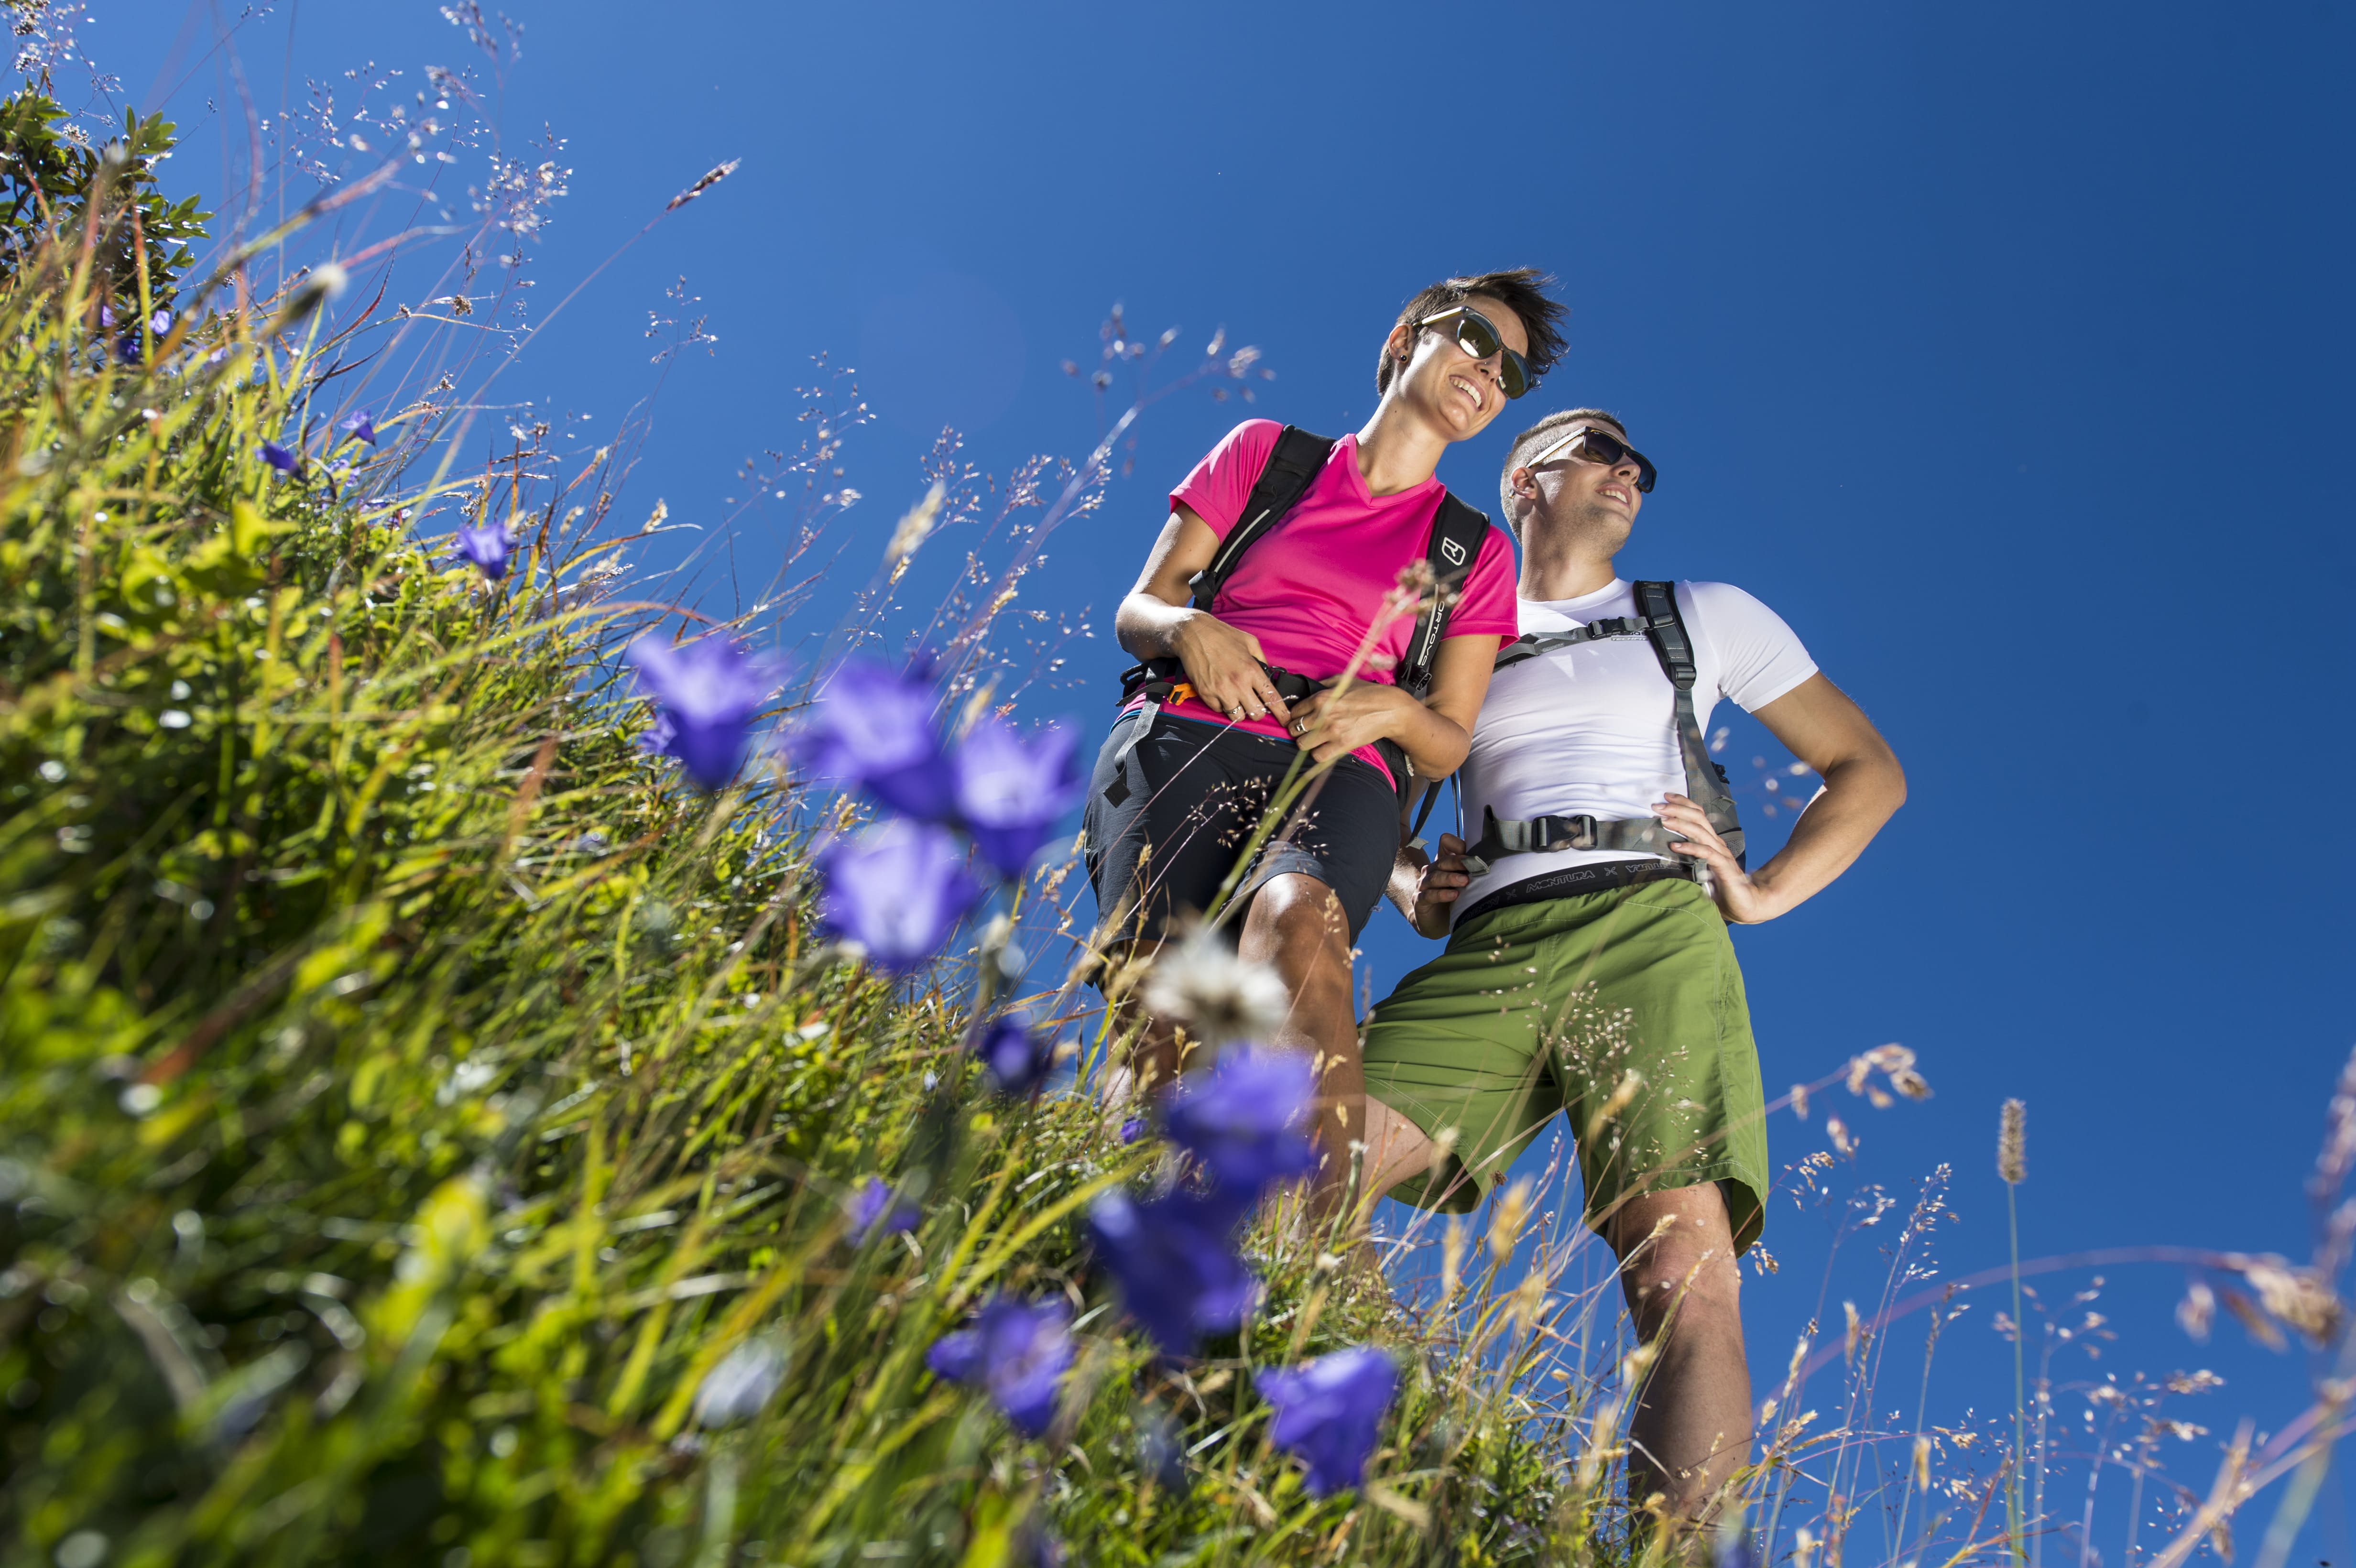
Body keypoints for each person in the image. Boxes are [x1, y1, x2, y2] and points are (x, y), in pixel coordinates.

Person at [1356, 408, 1907, 1528]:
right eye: (1599, 448)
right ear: (1525, 473)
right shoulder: (1444, 629)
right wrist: (1411, 882)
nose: (1627, 472)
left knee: (1679, 1270)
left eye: (1639, 466)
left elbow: (1867, 770)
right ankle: (1387, 1459)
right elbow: (1363, 790)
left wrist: (1760, 894)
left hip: (1651, 920)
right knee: (1304, 1150)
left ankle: (1677, 1555)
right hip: (1494, 939)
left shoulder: (1698, 614)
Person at [1084, 270, 1568, 1204]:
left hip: (1339, 766)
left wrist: (1389, 710)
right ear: (1407, 334)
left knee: (1299, 927)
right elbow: (1140, 605)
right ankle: (1134, 1257)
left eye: (1509, 371)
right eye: (1475, 336)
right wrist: (1190, 627)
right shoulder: (1268, 456)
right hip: (1186, 725)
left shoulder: (1473, 549)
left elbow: (1449, 740)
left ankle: (1318, 1270)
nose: (1489, 369)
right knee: (1162, 1020)